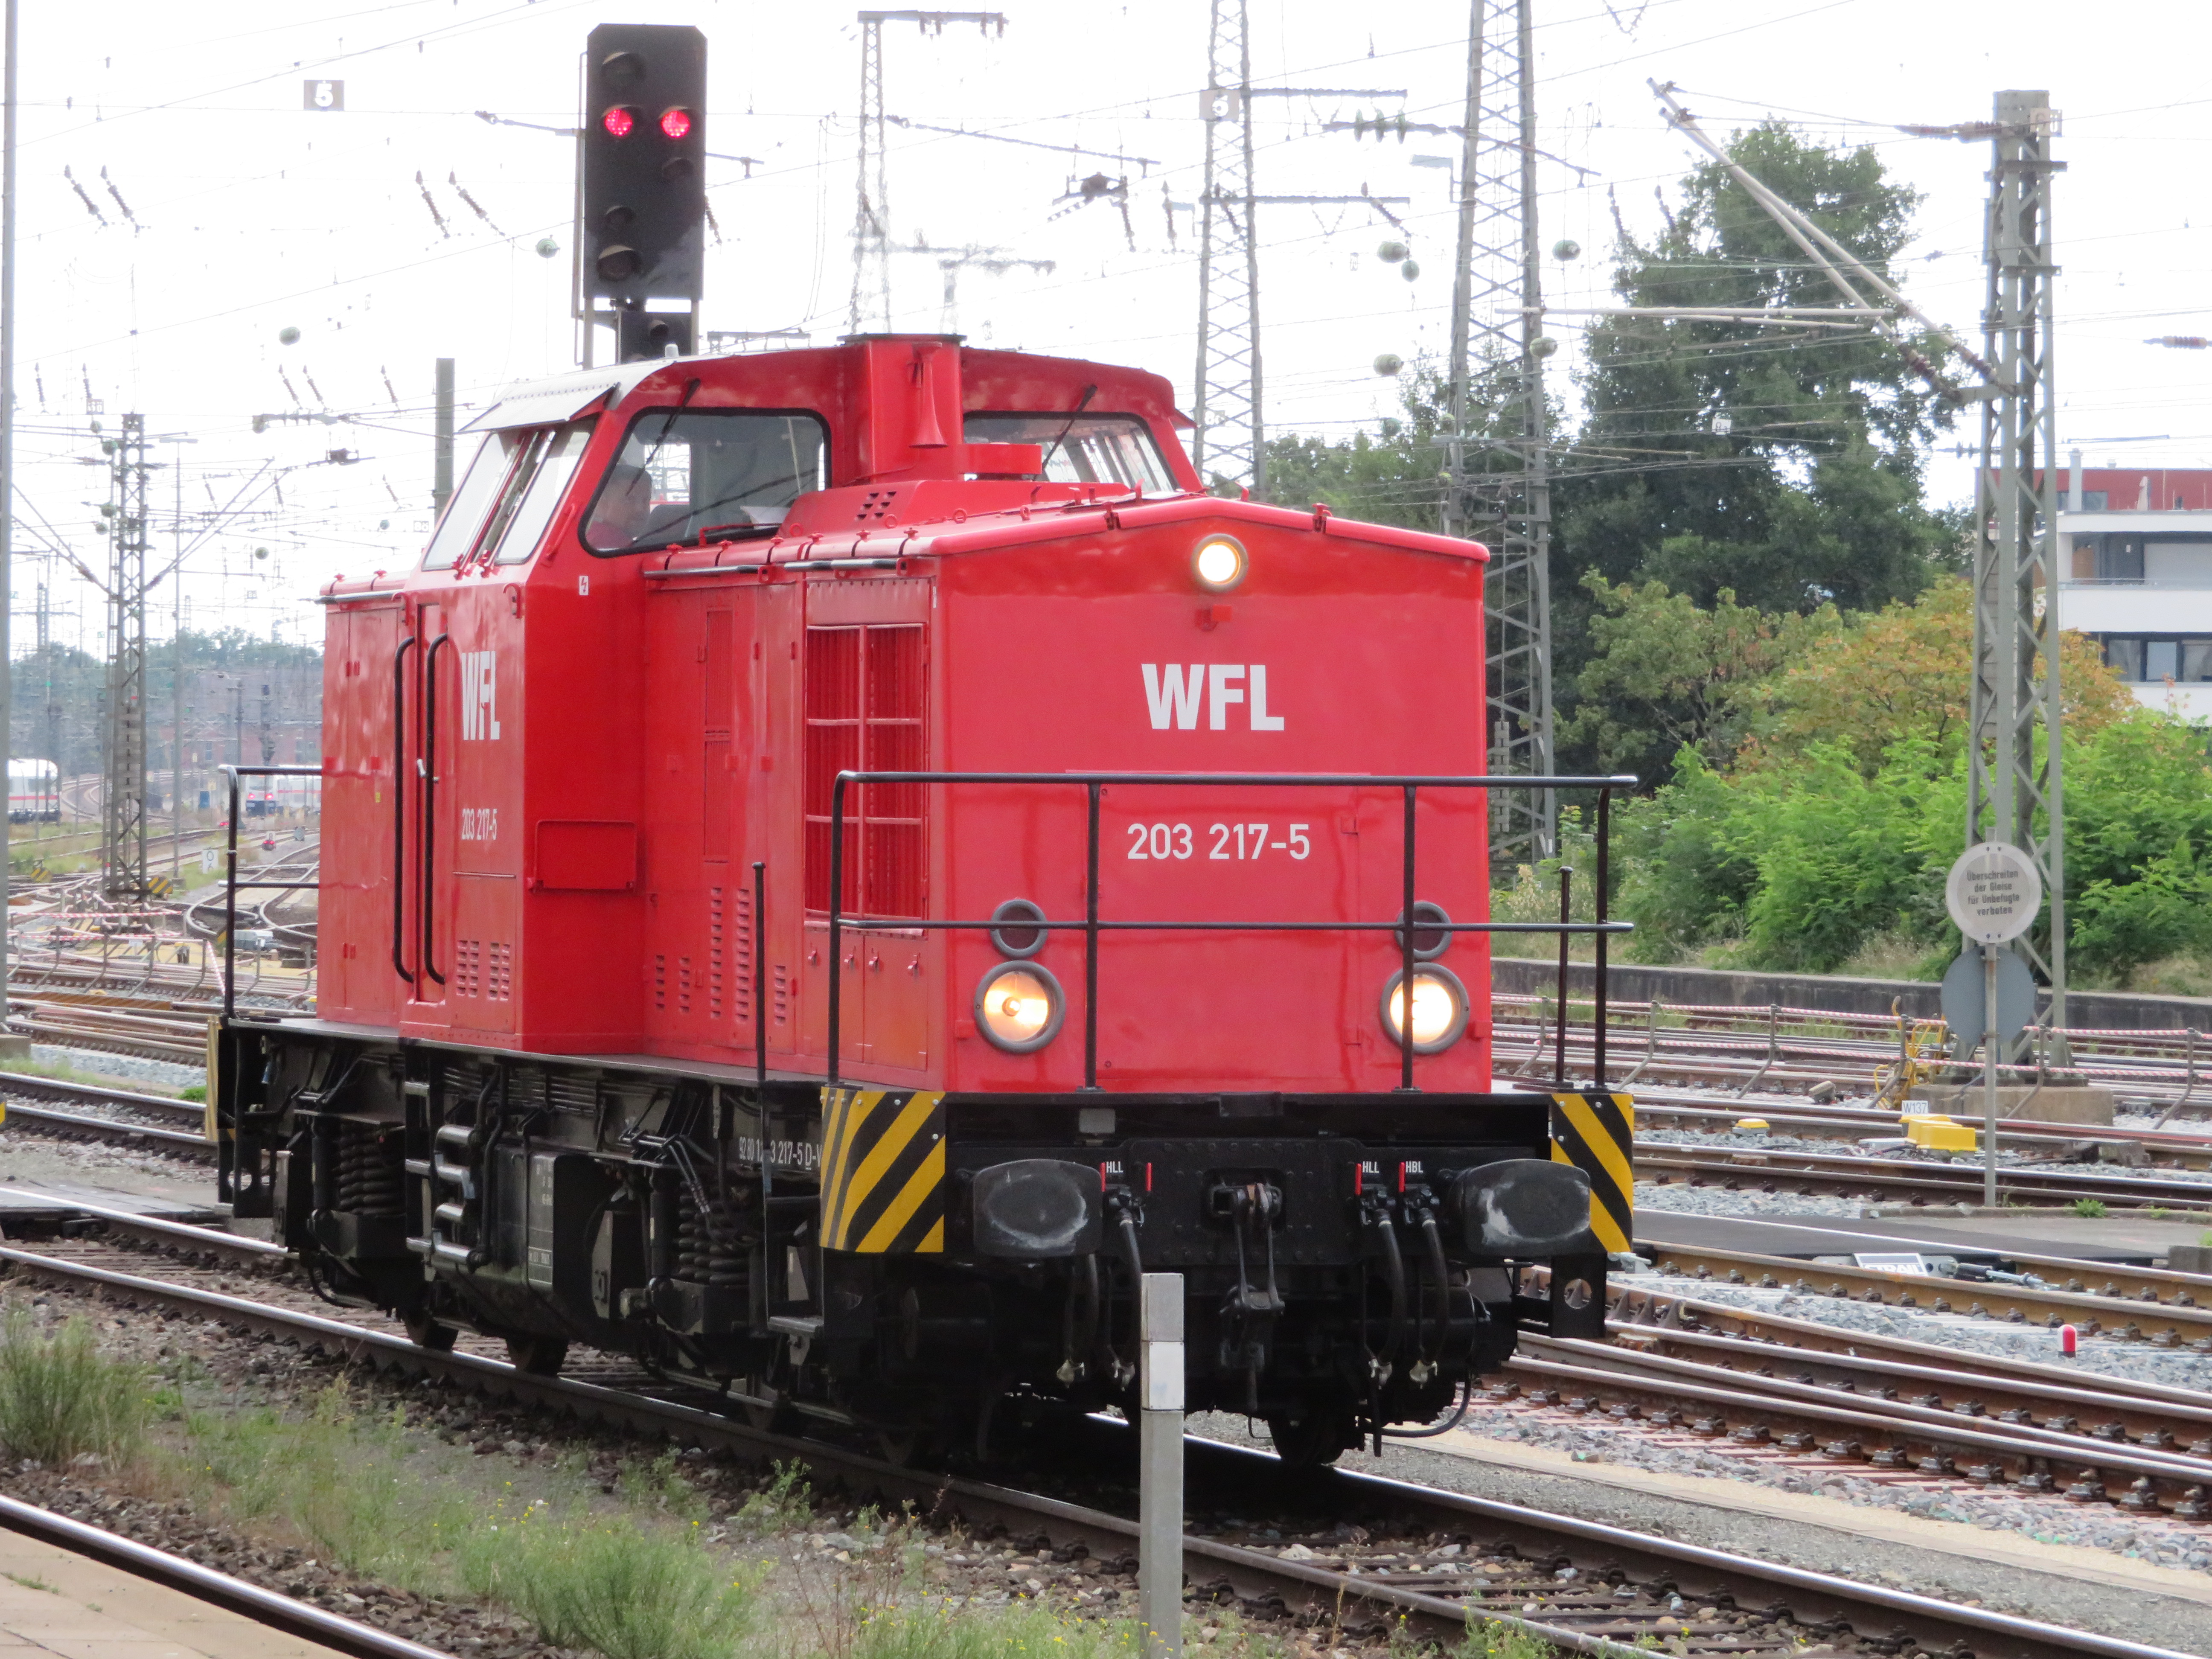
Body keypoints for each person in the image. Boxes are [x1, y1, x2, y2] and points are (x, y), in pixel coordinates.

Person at [585, 462, 657, 550]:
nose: (640, 509)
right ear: (601, 503)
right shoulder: (610, 540)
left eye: (646, 500)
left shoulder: (588, 534)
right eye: (629, 500)